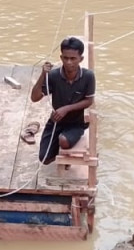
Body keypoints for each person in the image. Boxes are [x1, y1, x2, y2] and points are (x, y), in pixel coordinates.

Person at [29, 36, 96, 165]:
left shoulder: (88, 76)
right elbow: (34, 98)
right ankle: (60, 147)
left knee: (64, 141)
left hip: (75, 123)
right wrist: (43, 75)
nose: (69, 62)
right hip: (56, 121)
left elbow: (89, 101)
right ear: (61, 58)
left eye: (73, 58)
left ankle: (66, 150)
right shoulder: (53, 76)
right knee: (44, 159)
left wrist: (66, 109)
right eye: (66, 58)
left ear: (81, 59)